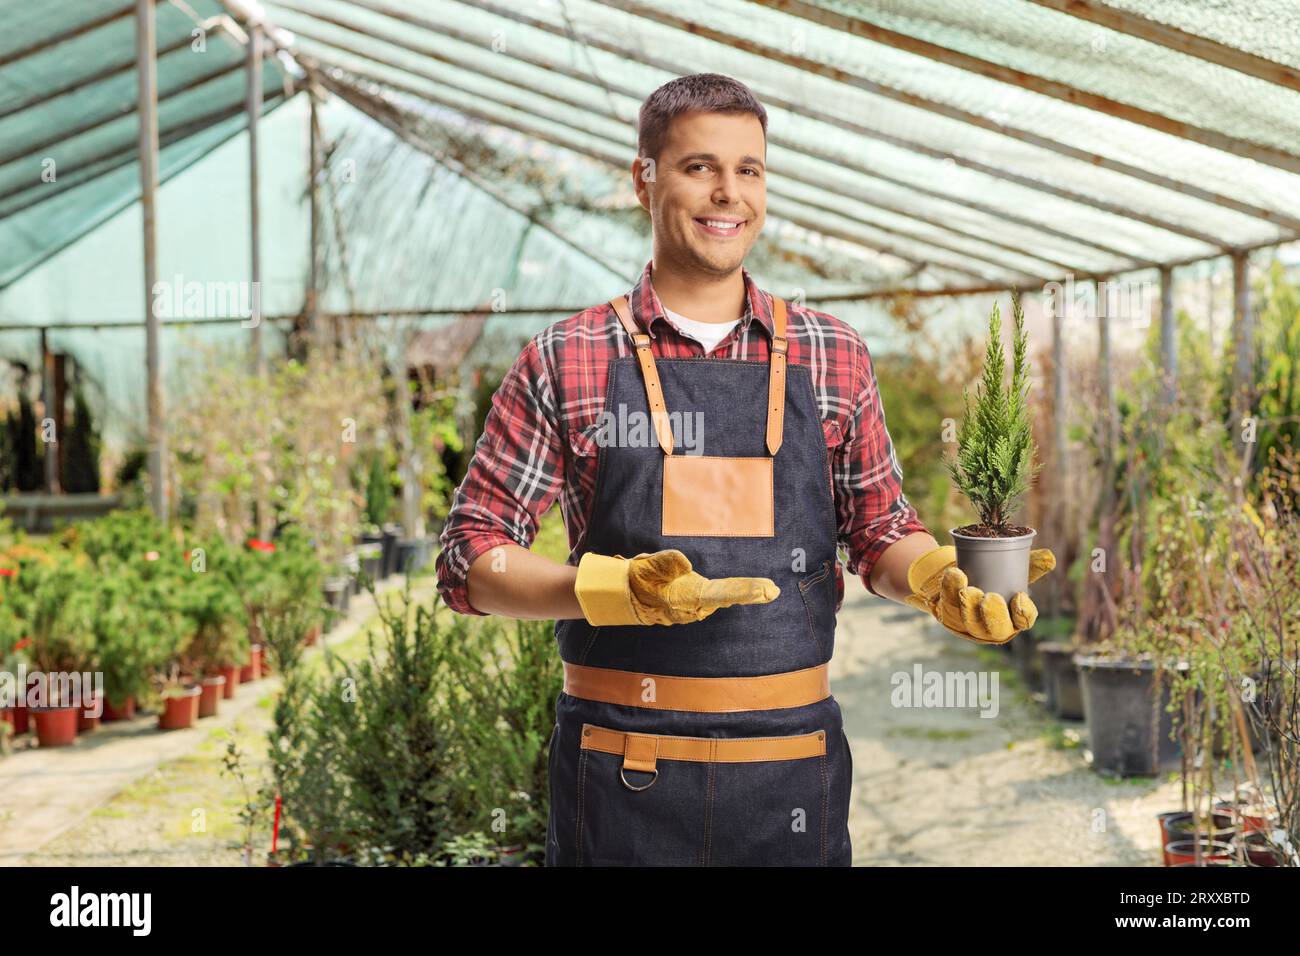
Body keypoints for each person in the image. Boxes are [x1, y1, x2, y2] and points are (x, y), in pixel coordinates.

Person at [435, 73, 1054, 866]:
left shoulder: (833, 353)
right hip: (622, 771)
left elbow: (879, 530)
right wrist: (610, 591)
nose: (728, 193)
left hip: (790, 773)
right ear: (644, 178)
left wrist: (935, 576)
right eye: (698, 167)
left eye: (749, 170)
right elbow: (469, 558)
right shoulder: (568, 357)